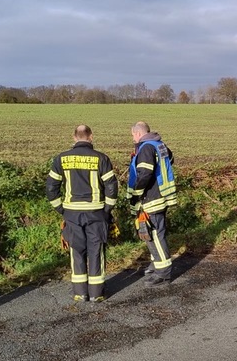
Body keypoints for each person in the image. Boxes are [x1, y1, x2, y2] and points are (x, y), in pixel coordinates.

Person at [46, 125, 118, 302]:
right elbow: (111, 186)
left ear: (74, 137)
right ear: (91, 137)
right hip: (96, 213)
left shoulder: (61, 159)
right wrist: (107, 210)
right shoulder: (101, 158)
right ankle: (96, 294)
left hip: (72, 214)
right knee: (96, 251)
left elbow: (50, 188)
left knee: (76, 251)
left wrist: (61, 209)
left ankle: (80, 293)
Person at [127, 121, 177, 287]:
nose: (133, 138)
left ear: (138, 134)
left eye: (133, 135)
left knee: (155, 235)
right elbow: (170, 158)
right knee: (152, 234)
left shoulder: (146, 148)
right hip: (162, 195)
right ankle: (157, 263)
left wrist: (136, 192)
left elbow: (145, 173)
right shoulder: (159, 144)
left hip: (152, 197)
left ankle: (163, 274)